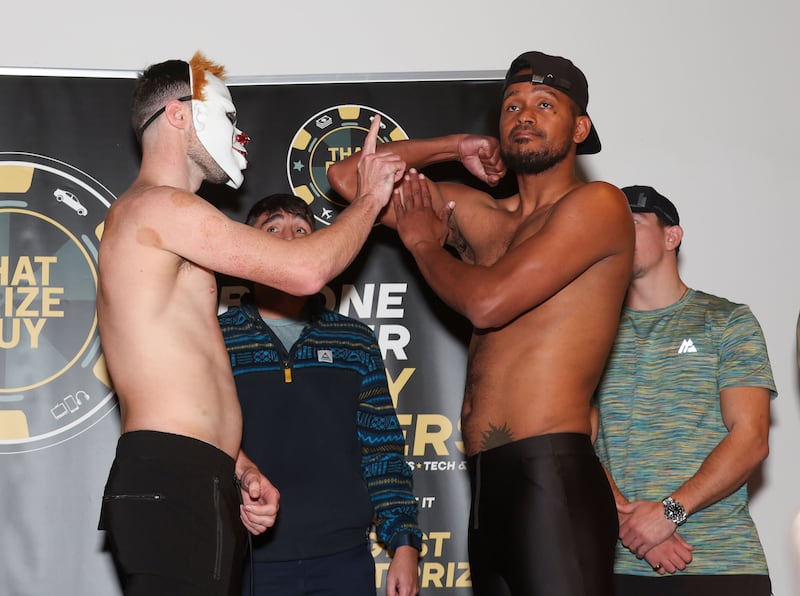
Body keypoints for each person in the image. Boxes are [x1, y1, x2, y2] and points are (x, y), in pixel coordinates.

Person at [96, 52, 406, 596]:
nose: (239, 135)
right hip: (173, 477)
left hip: (197, 475)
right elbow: (307, 271)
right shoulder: (158, 208)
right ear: (178, 114)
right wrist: (373, 195)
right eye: (228, 116)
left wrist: (240, 468)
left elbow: (186, 377)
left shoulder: (165, 221)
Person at [328, 51, 634, 596]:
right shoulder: (481, 214)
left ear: (579, 127)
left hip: (552, 475)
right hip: (486, 483)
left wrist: (424, 241)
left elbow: (489, 304)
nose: (524, 115)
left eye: (545, 104)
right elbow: (350, 177)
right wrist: (454, 147)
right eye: (512, 105)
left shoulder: (597, 206)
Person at [218, 193, 422, 596]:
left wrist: (404, 544)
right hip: (247, 560)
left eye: (302, 230)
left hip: (343, 558)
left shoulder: (354, 341)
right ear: (246, 247)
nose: (289, 239)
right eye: (272, 229)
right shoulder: (217, 340)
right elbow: (203, 443)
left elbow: (381, 448)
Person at [592, 185, 775, 595]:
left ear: (672, 236)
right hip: (618, 565)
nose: (619, 236)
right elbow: (573, 441)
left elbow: (751, 438)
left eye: (633, 225)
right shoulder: (590, 333)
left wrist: (669, 513)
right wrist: (629, 523)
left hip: (721, 563)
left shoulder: (727, 321)